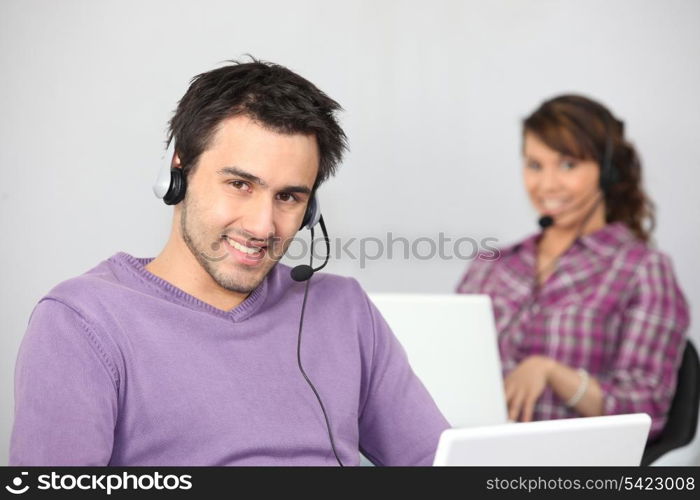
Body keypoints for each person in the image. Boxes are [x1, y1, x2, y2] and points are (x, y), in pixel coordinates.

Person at [10, 59, 449, 466]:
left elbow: (443, 469)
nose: (262, 226)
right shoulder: (82, 322)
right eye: (240, 184)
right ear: (177, 172)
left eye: (289, 197)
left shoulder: (344, 309)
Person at [456, 94, 689, 441]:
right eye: (535, 165)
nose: (547, 184)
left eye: (568, 165)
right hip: (472, 451)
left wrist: (552, 372)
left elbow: (648, 408)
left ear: (607, 173)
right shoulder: (492, 264)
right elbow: (448, 364)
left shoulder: (642, 269)